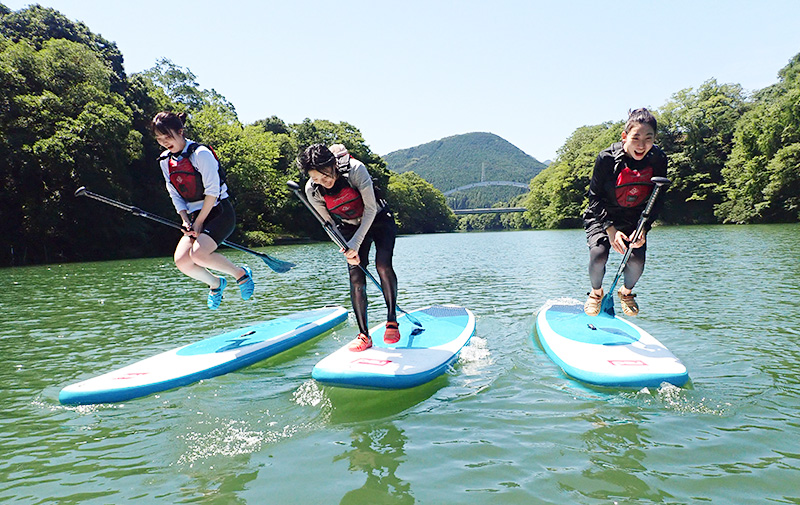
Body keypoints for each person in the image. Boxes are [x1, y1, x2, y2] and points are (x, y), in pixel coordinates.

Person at [297, 143, 399, 352]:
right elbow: (328, 224)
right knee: (356, 277)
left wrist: (355, 243)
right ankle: (364, 335)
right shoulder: (312, 189)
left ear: (333, 165)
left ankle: (392, 320)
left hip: (378, 219)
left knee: (382, 265)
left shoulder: (356, 170)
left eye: (324, 176)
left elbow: (370, 209)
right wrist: (345, 247)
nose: (322, 182)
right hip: (349, 227)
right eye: (315, 178)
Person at [151, 111, 254, 309]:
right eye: (159, 138)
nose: (164, 142)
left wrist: (199, 222)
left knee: (198, 254)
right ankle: (216, 284)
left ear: (180, 131)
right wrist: (185, 219)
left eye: (168, 136)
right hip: (194, 216)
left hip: (219, 212)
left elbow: (213, 192)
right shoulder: (165, 160)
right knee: (182, 261)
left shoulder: (201, 154)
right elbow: (174, 193)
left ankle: (241, 274)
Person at [582, 108, 667, 317]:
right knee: (599, 253)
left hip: (634, 217)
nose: (641, 145)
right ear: (624, 137)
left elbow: (658, 199)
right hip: (602, 213)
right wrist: (610, 229)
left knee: (637, 260)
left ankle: (626, 292)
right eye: (635, 137)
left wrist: (644, 228)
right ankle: (596, 294)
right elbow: (594, 198)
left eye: (648, 138)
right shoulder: (606, 158)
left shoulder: (658, 159)